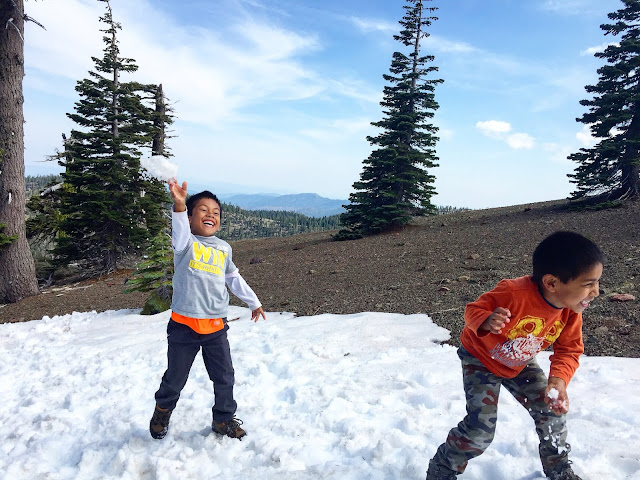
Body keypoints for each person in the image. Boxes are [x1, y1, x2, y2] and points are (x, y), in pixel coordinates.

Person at [426, 231, 604, 480]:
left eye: (597, 283)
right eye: (588, 284)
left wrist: (559, 380)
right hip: (481, 359)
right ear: (551, 283)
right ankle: (442, 468)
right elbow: (472, 310)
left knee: (552, 411)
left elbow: (569, 349)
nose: (596, 292)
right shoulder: (513, 292)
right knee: (480, 431)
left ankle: (559, 469)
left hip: (520, 362)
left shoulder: (570, 311)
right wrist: (487, 320)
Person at [149, 180, 266, 440]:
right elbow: (178, 226)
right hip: (184, 326)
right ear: (190, 218)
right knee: (175, 378)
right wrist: (179, 204)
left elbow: (234, 278)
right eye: (202, 210)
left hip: (215, 326)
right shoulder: (185, 244)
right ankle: (162, 411)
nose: (210, 214)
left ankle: (223, 419)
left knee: (224, 377)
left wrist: (253, 301)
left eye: (215, 212)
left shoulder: (224, 248)